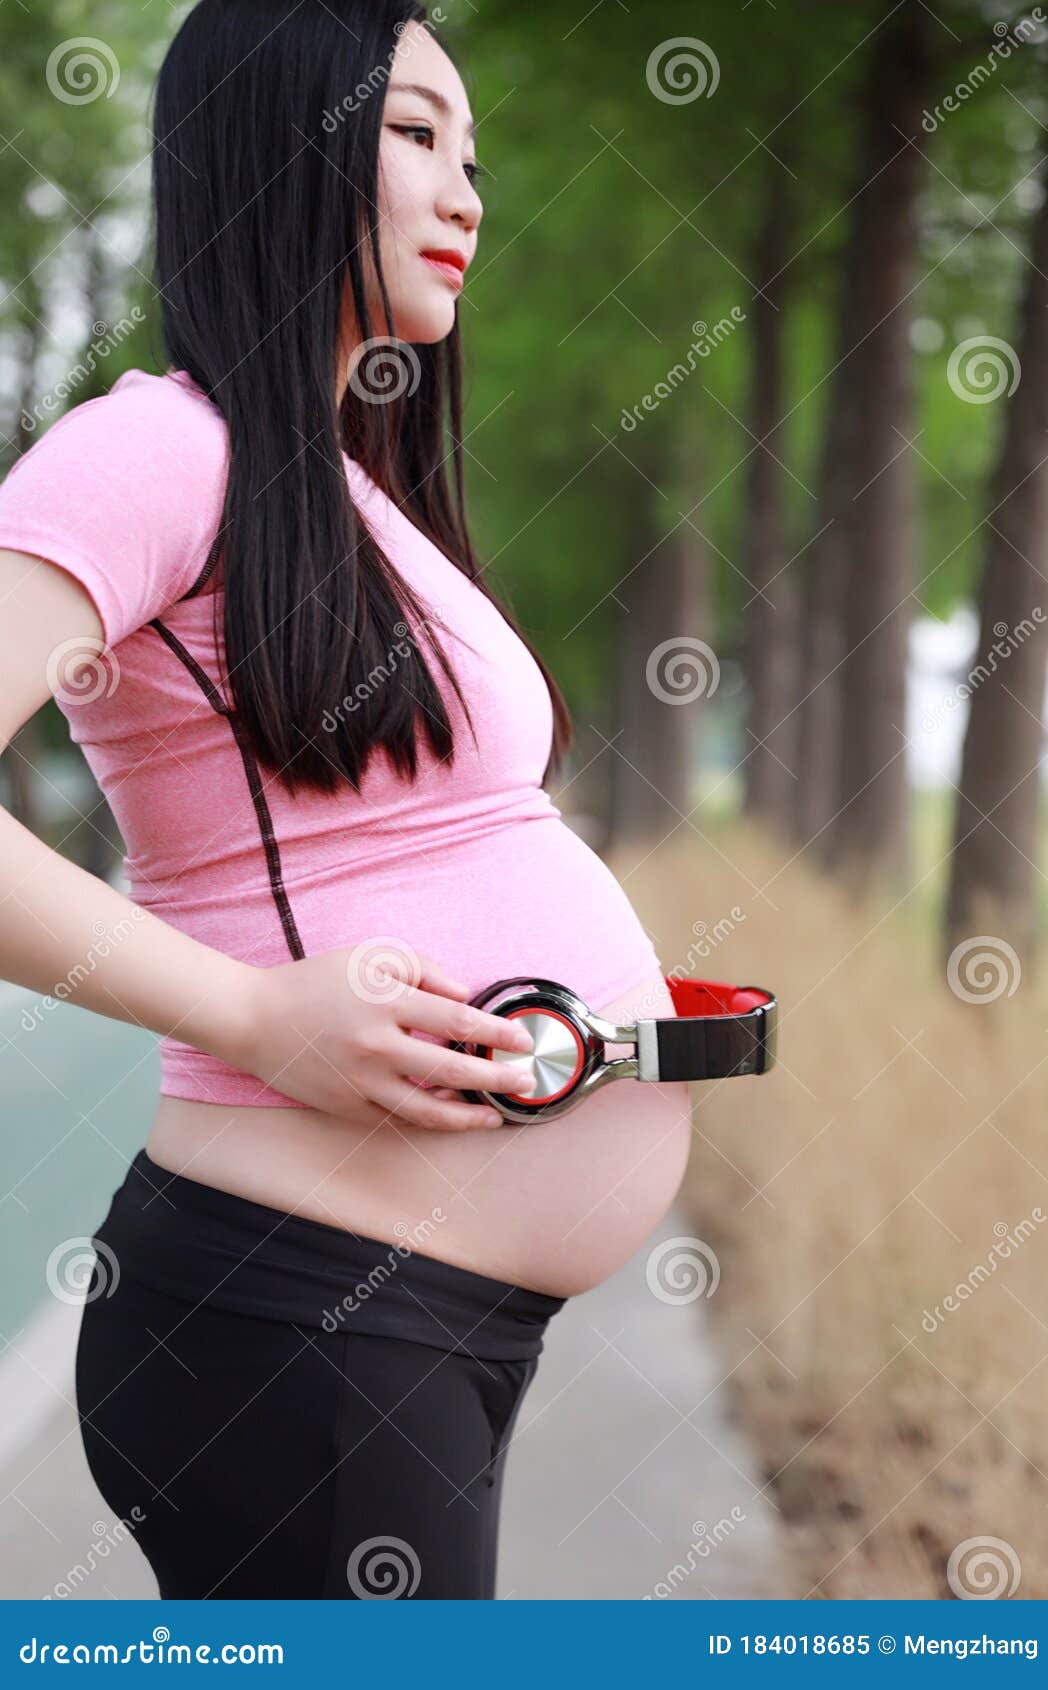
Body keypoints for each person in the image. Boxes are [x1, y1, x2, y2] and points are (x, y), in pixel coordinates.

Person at [0, 0, 692, 1599]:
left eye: (477, 153)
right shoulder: (161, 452)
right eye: (414, 133)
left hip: (406, 1321)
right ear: (276, 141)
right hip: (296, 1310)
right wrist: (250, 1014)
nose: (468, 192)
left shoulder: (349, 491)